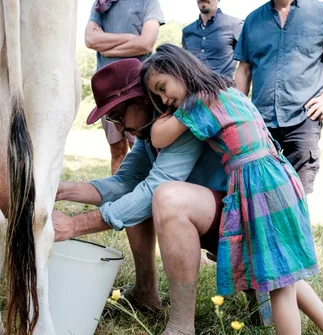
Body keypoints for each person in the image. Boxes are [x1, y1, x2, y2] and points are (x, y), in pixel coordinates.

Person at [140, 43, 323, 335]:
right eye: (158, 96)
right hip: (279, 177)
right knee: (285, 272)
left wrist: (167, 114)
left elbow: (158, 138)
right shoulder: (225, 89)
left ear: (178, 70)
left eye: (162, 87)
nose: (165, 99)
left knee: (279, 287)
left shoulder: (199, 102)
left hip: (260, 185)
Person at [53, 58, 229, 335]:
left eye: (119, 115)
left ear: (143, 100)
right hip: (213, 214)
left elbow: (152, 191)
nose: (120, 128)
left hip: (243, 220)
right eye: (113, 120)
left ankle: (182, 326)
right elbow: (125, 183)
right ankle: (145, 293)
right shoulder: (150, 132)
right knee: (138, 197)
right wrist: (60, 190)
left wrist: (75, 226)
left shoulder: (182, 123)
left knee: (166, 198)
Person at [234, 0, 323, 194]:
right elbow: (244, 70)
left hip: (304, 117)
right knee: (262, 192)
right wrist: (238, 112)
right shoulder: (253, 20)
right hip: (261, 122)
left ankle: (297, 224)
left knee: (298, 193)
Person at [85, 0, 164, 174]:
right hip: (108, 94)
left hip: (136, 92)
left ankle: (144, 194)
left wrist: (106, 48)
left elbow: (146, 44)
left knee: (141, 148)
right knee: (116, 150)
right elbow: (90, 40)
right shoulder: (101, 4)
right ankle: (118, 193)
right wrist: (130, 38)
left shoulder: (148, 3)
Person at [182, 0, 243, 79]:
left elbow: (246, 65)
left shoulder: (235, 25)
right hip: (193, 89)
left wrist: (239, 91)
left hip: (223, 89)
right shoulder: (187, 31)